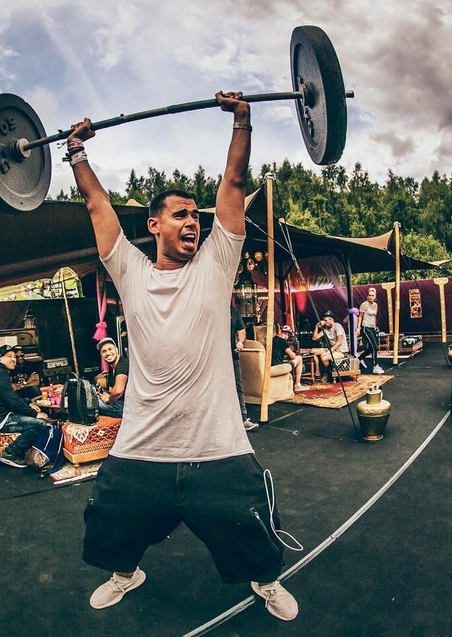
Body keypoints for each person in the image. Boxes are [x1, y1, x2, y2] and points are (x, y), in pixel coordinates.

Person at [67, 91, 298, 621]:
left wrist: (242, 121)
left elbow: (234, 183)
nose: (193, 221)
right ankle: (126, 573)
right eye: (180, 214)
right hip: (143, 443)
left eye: (196, 214)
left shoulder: (217, 264)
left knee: (249, 526)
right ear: (154, 225)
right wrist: (77, 153)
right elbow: (97, 205)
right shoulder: (130, 271)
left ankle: (265, 581)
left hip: (216, 443)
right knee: (111, 519)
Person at [0, 344, 48, 468]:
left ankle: (27, 449)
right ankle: (10, 453)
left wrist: (28, 403)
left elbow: (10, 397)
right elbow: (13, 401)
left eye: (14, 357)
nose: (13, 359)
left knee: (28, 406)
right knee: (39, 423)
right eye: (9, 356)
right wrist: (35, 414)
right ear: (0, 359)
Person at [231, 300, 259, 431]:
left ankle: (243, 419)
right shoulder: (214, 309)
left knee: (238, 386)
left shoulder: (234, 311)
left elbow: (241, 331)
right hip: (215, 356)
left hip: (232, 355)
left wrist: (241, 342)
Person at [311, 310, 349, 381]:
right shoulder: (325, 329)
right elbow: (314, 338)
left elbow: (339, 342)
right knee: (313, 351)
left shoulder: (337, 326)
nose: (324, 322)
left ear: (331, 320)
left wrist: (329, 352)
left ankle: (327, 373)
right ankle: (318, 372)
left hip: (341, 351)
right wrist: (317, 326)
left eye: (326, 320)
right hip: (332, 349)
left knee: (323, 357)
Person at [95, 336, 128, 417]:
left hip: (128, 406)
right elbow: (111, 390)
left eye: (110, 349)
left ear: (116, 350)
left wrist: (108, 399)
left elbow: (118, 391)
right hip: (120, 403)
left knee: (93, 403)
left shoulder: (123, 363)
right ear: (101, 355)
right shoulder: (112, 367)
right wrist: (103, 394)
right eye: (104, 351)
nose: (107, 353)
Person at [357, 287, 384, 374]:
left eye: (372, 295)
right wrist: (358, 328)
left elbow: (374, 317)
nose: (371, 297)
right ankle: (375, 366)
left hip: (372, 328)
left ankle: (358, 359)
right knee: (374, 347)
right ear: (367, 296)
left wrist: (375, 327)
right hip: (365, 327)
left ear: (375, 296)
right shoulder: (364, 304)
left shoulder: (375, 305)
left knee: (370, 348)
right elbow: (360, 317)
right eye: (369, 295)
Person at [272, 325, 308, 391]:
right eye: (285, 334)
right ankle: (297, 384)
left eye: (287, 335)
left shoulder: (273, 339)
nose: (286, 336)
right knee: (299, 358)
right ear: (280, 332)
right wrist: (294, 353)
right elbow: (292, 356)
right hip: (278, 366)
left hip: (271, 365)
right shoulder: (283, 341)